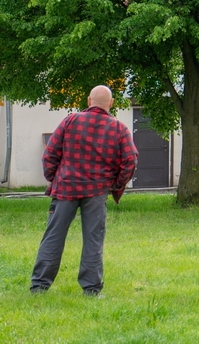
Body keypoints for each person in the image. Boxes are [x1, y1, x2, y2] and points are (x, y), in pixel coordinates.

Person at [30, 85, 138, 296]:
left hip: (65, 187)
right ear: (111, 104)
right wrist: (116, 183)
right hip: (97, 191)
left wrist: (54, 177)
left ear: (89, 100)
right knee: (93, 239)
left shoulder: (70, 120)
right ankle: (91, 289)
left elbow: (50, 153)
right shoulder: (119, 128)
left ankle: (39, 286)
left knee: (53, 236)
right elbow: (131, 159)